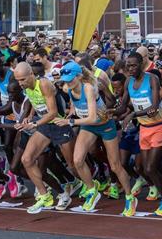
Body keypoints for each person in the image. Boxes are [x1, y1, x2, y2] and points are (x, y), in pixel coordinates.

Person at [56, 62, 137, 216]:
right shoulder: (68, 88)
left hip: (104, 125)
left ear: (79, 76)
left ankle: (129, 197)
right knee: (77, 161)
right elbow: (75, 105)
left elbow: (93, 117)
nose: (67, 82)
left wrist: (70, 121)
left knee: (115, 166)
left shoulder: (88, 88)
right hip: (88, 126)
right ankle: (92, 190)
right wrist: (72, 112)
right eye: (65, 80)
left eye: (71, 79)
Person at [115, 51, 162, 217]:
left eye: (133, 65)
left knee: (150, 168)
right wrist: (112, 112)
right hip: (144, 129)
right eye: (127, 65)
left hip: (159, 126)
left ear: (141, 65)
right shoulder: (128, 81)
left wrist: (133, 115)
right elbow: (123, 106)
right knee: (144, 167)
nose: (130, 68)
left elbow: (153, 107)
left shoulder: (152, 79)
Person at [15, 61, 78, 214]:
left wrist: (35, 124)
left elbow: (53, 113)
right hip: (44, 126)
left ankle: (91, 185)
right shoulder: (27, 87)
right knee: (26, 159)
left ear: (31, 74)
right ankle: (45, 196)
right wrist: (29, 117)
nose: (20, 83)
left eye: (23, 79)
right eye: (18, 80)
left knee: (73, 165)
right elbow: (33, 101)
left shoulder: (44, 84)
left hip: (58, 124)